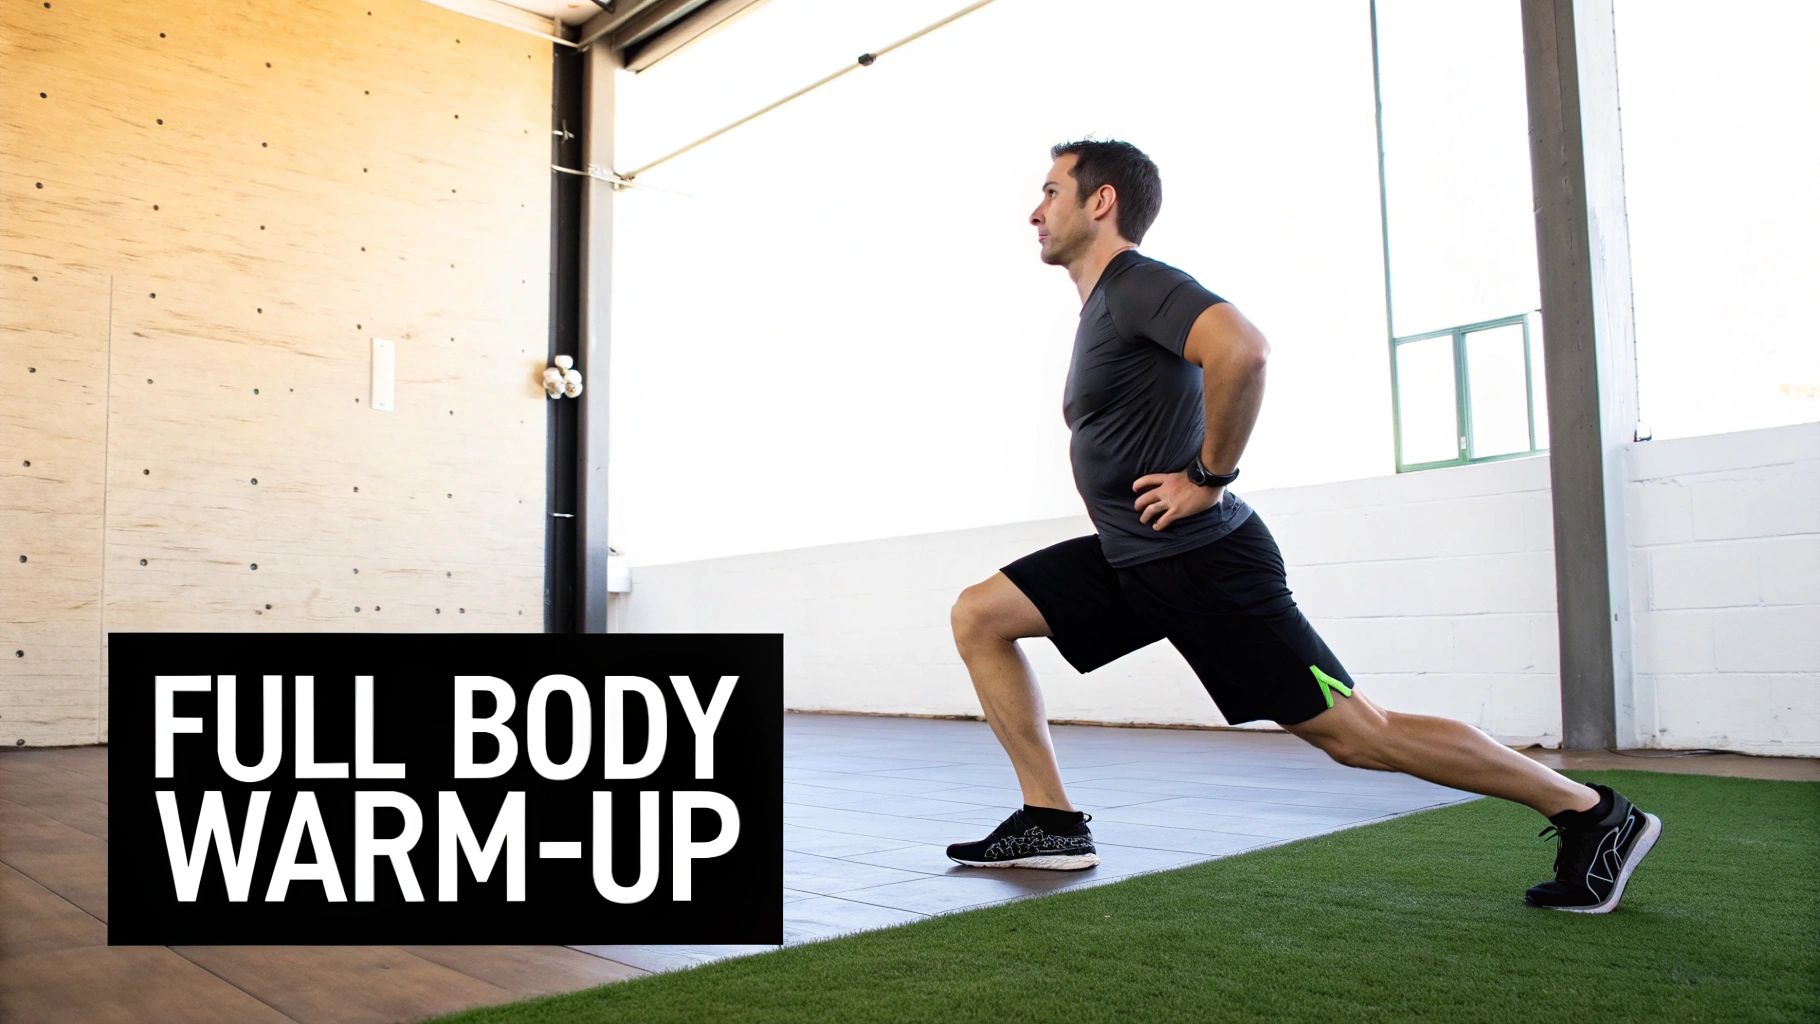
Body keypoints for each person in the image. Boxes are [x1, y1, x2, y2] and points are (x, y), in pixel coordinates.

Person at [944, 139, 1661, 913]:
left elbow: (1243, 352)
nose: (1035, 210)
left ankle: (1593, 814)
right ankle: (1051, 821)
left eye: (1051, 191)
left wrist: (1208, 479)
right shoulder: (1105, 306)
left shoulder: (1137, 284)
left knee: (1360, 736)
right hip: (1135, 558)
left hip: (1202, 561)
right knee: (982, 614)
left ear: (1102, 201)